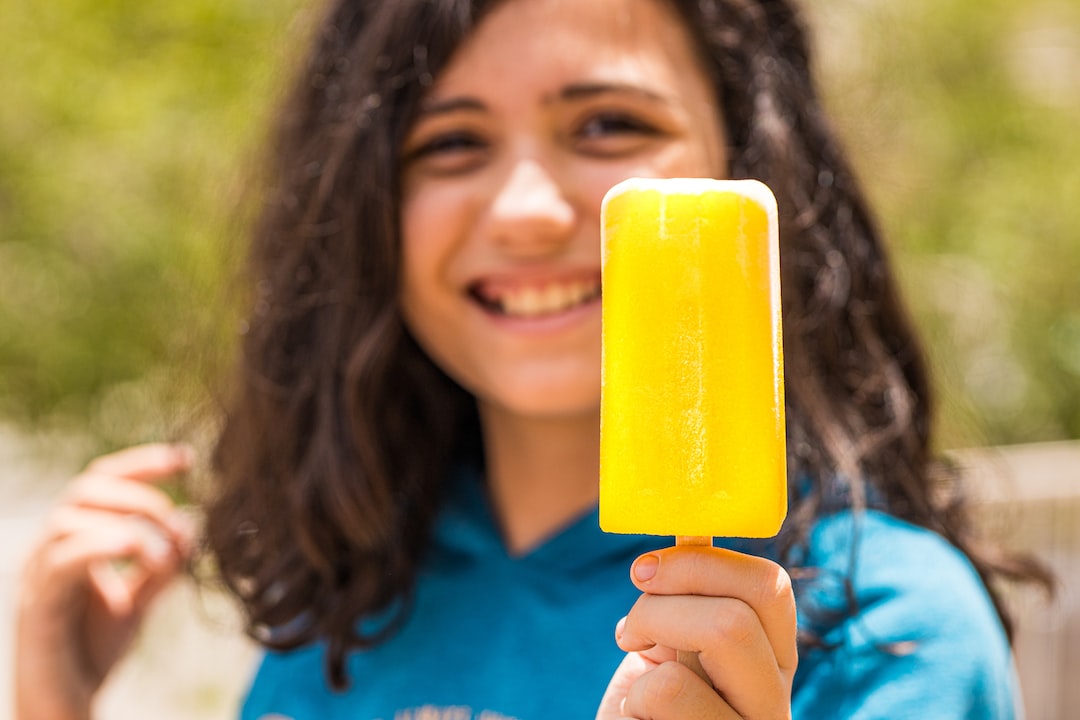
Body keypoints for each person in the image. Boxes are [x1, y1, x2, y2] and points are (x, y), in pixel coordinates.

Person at [15, 0, 1052, 718]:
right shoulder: (348, 604)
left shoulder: (890, 633)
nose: (526, 211)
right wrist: (55, 709)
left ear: (750, 164)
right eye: (451, 144)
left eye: (608, 124)